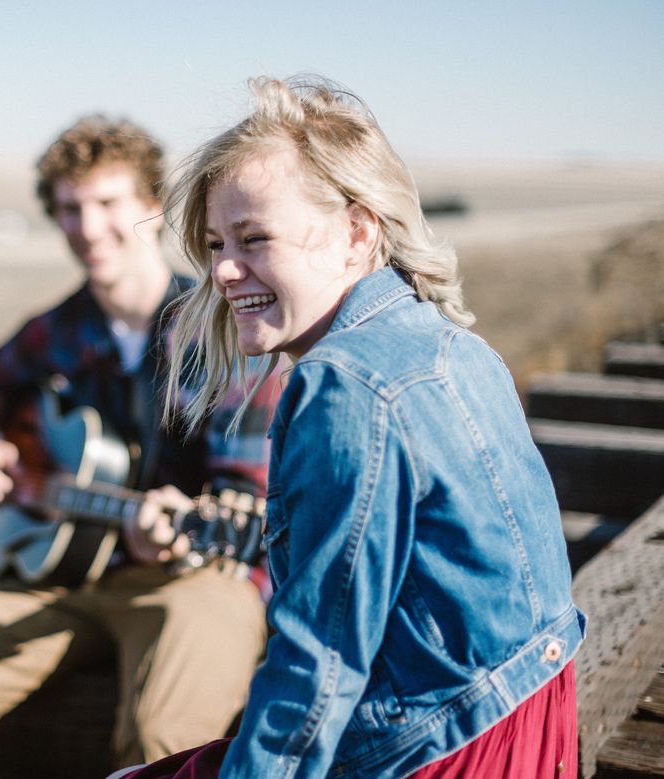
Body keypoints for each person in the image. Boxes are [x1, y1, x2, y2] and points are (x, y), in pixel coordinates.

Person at [119, 75, 586, 778]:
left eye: (254, 238)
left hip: (440, 750)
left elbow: (318, 666)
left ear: (357, 232)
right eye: (215, 244)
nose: (223, 271)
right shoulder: (457, 345)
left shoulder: (342, 382)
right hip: (528, 725)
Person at [0, 114, 283, 779]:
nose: (88, 227)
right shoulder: (59, 327)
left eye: (107, 203)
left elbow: (242, 499)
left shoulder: (223, 332)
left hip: (193, 573)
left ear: (153, 204)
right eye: (70, 209)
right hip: (64, 570)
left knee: (164, 743)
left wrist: (173, 531)